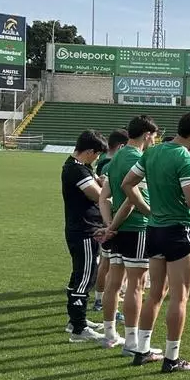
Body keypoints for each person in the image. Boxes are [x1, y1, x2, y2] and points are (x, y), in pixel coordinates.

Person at [120, 112, 190, 372]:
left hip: (154, 230)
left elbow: (128, 183)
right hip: (179, 230)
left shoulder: (153, 152)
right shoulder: (185, 157)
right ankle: (172, 358)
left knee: (155, 294)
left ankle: (142, 350)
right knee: (179, 297)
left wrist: (147, 209)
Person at [99, 120, 157, 355]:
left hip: (117, 229)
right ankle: (132, 343)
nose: (154, 140)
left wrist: (108, 225)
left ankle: (110, 333)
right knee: (136, 284)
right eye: (154, 136)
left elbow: (104, 196)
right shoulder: (137, 159)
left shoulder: (116, 157)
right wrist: (152, 214)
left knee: (114, 282)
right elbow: (132, 200)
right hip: (136, 227)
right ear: (146, 135)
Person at [61, 130, 109, 343]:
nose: (97, 158)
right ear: (90, 151)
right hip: (85, 230)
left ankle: (75, 321)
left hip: (82, 228)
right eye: (97, 154)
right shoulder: (76, 170)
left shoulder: (79, 166)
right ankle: (79, 329)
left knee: (79, 276)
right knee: (85, 279)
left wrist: (100, 181)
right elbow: (98, 195)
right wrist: (105, 186)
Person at [93, 130, 128, 316]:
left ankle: (100, 299)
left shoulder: (103, 162)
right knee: (113, 264)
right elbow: (106, 193)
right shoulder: (113, 164)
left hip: (105, 215)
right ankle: (107, 302)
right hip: (113, 218)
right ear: (122, 146)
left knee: (106, 261)